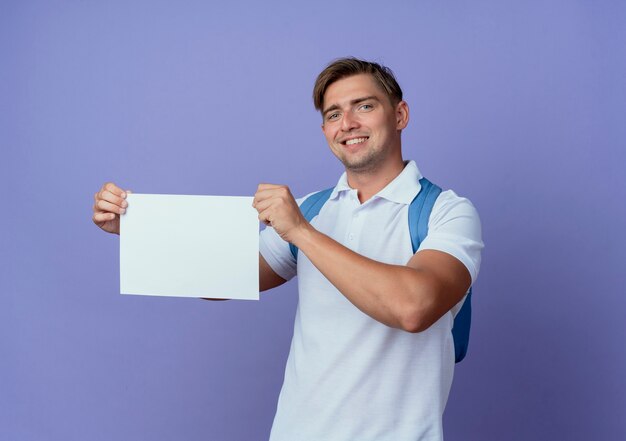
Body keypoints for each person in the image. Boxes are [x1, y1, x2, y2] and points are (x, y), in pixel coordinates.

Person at [93, 57, 483, 441]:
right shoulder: (314, 208)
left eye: (364, 106)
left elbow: (413, 308)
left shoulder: (446, 212)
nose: (347, 124)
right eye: (333, 114)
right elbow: (221, 277)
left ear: (400, 115)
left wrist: (301, 231)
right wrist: (135, 230)